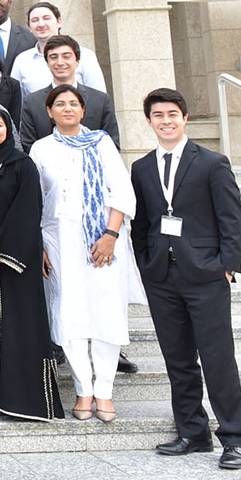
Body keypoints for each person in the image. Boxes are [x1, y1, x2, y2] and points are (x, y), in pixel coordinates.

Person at [131, 88, 241, 469]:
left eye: (172, 114)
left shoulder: (212, 162)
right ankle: (192, 433)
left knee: (217, 358)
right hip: (162, 276)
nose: (166, 120)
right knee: (178, 359)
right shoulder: (142, 167)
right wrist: (146, 262)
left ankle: (233, 438)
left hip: (205, 274)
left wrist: (227, 265)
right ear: (149, 121)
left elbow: (232, 217)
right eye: (158, 115)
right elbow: (143, 223)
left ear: (184, 118)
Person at [32, 83, 142, 423]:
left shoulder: (101, 142)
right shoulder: (40, 149)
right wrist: (39, 248)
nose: (67, 108)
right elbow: (34, 200)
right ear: (49, 112)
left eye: (73, 104)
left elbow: (121, 190)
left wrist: (110, 234)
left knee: (106, 312)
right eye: (60, 104)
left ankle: (105, 391)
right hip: (58, 240)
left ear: (83, 110)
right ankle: (84, 390)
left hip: (103, 241)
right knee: (70, 314)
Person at [0, 107, 64, 421]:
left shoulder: (22, 165)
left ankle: (21, 401)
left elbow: (28, 210)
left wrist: (3, 251)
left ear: (9, 130)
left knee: (18, 329)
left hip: (15, 263)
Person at [19, 35, 121, 148]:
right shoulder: (32, 102)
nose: (60, 62)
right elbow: (28, 145)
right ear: (47, 63)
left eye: (66, 57)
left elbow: (112, 144)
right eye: (53, 57)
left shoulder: (100, 100)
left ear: (77, 61)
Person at [10, 1, 107, 95]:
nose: (41, 24)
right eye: (35, 20)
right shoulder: (22, 60)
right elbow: (19, 103)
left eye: (46, 18)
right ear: (29, 27)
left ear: (59, 22)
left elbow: (98, 96)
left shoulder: (85, 55)